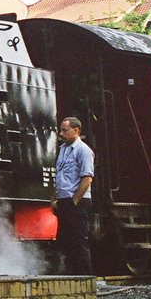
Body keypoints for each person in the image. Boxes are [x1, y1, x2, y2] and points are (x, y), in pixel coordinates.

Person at [50, 116, 95, 274]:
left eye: (65, 130)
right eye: (61, 130)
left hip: (77, 201)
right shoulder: (63, 149)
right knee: (64, 241)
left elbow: (87, 178)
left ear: (76, 131)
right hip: (64, 200)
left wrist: (75, 201)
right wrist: (55, 198)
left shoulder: (83, 151)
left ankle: (85, 278)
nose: (61, 133)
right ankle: (69, 276)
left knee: (78, 240)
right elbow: (61, 177)